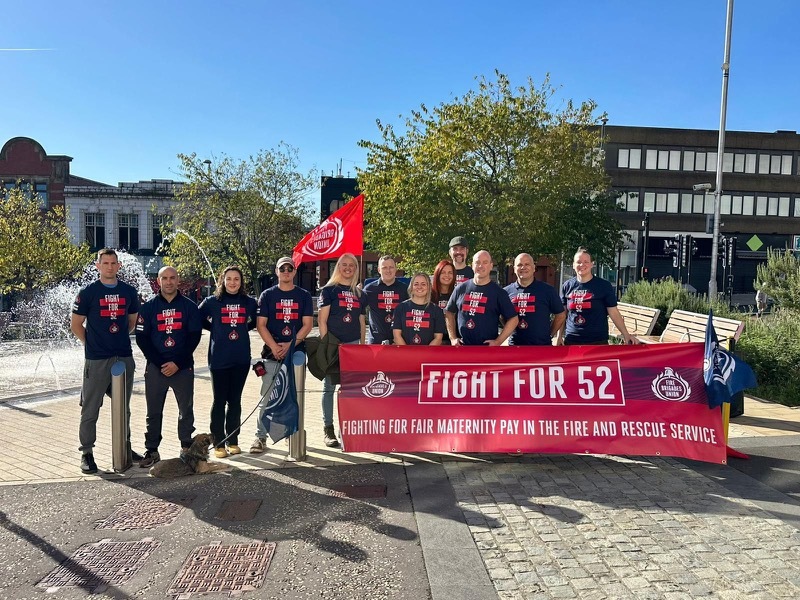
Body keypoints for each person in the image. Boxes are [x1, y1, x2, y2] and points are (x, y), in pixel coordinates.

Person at [70, 248, 141, 474]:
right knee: (90, 408)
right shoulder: (88, 293)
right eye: (105, 263)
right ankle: (87, 453)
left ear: (119, 266)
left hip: (123, 356)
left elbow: (131, 322)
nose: (110, 267)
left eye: (113, 263)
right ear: (98, 266)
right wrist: (92, 344)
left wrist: (115, 340)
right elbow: (75, 325)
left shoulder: (129, 291)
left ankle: (125, 448)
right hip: (97, 360)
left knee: (124, 407)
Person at [135, 266, 202, 468]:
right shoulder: (148, 308)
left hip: (182, 367)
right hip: (156, 368)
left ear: (178, 280)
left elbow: (194, 337)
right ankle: (152, 449)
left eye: (172, 278)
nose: (169, 281)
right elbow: (141, 338)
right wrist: (160, 363)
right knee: (153, 411)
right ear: (159, 281)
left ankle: (186, 448)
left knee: (186, 410)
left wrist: (177, 363)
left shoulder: (189, 307)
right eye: (165, 278)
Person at [250, 257, 313, 453]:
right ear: (276, 272)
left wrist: (290, 345)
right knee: (268, 396)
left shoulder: (303, 296)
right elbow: (261, 325)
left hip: (295, 353)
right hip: (271, 353)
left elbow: (308, 325)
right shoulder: (267, 295)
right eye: (282, 268)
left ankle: (290, 435)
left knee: (293, 396)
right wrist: (275, 346)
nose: (286, 271)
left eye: (290, 268)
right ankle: (260, 437)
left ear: (294, 272)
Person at [198, 266, 258, 457]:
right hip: (219, 360)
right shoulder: (212, 302)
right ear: (222, 281)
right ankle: (219, 442)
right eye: (229, 279)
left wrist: (243, 329)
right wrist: (215, 329)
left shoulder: (249, 302)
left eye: (237, 279)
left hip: (240, 358)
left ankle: (233, 439)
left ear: (241, 282)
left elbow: (256, 322)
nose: (233, 283)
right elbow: (198, 319)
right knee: (219, 401)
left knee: (235, 401)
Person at [317, 252, 365, 447]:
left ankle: (345, 428)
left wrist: (362, 347)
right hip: (333, 344)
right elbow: (322, 320)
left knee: (348, 390)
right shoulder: (328, 290)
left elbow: (362, 322)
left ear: (355, 269)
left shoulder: (360, 293)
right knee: (329, 388)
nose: (347, 268)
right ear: (338, 267)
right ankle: (328, 429)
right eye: (344, 265)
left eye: (351, 265)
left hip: (353, 345)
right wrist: (327, 344)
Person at [557, 247, 635, 345]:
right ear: (573, 265)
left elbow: (613, 312)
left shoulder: (603, 286)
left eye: (586, 262)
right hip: (572, 340)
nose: (582, 265)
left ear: (592, 264)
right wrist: (559, 336)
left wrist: (626, 335)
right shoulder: (567, 286)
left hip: (597, 341)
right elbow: (563, 314)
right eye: (579, 262)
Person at [445, 250, 518, 346]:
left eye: (485, 262)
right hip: (462, 348)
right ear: (472, 265)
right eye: (477, 262)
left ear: (491, 265)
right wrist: (453, 338)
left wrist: (498, 341)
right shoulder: (461, 288)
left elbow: (513, 319)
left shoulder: (499, 293)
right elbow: (449, 312)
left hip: (487, 350)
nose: (481, 266)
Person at [504, 253, 566, 346]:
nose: (523, 267)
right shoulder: (506, 292)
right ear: (514, 269)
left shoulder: (547, 290)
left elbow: (560, 315)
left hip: (542, 347)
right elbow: (501, 316)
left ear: (534, 268)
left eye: (527, 264)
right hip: (515, 346)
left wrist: (550, 334)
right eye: (519, 265)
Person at [361, 255, 408, 344]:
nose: (388, 270)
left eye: (391, 267)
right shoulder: (369, 289)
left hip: (398, 340)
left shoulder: (405, 289)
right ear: (379, 270)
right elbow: (358, 311)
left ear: (395, 269)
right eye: (384, 267)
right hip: (376, 340)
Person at [392, 272, 446, 345]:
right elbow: (397, 336)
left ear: (429, 287)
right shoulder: (400, 308)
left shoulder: (436, 310)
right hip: (405, 354)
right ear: (411, 287)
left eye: (423, 284)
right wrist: (407, 354)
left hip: (428, 355)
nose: (419, 287)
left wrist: (425, 355)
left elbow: (438, 338)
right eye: (416, 284)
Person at [431, 260, 456, 345]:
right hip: (433, 341)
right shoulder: (429, 295)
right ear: (437, 274)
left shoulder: (458, 294)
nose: (447, 275)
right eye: (443, 272)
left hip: (454, 341)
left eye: (450, 272)